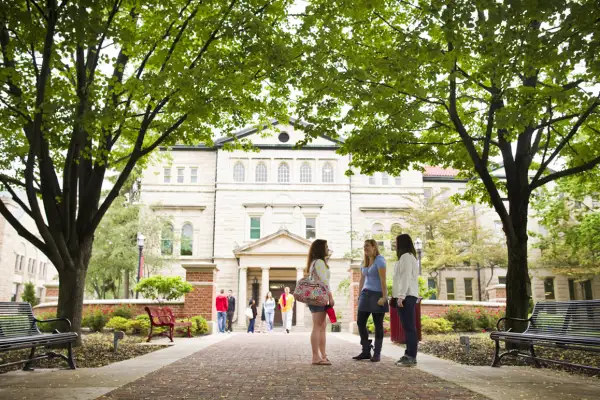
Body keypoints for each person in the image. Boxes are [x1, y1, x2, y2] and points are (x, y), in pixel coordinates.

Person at [353, 239, 389, 362]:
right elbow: (362, 280)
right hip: (365, 294)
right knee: (360, 322)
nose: (365, 248)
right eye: (364, 246)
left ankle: (377, 353)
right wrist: (359, 295)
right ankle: (366, 350)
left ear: (374, 247)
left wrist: (384, 297)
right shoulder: (364, 261)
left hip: (377, 295)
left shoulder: (380, 260)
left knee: (378, 325)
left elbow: (383, 280)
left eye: (367, 246)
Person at [305, 239, 334, 365]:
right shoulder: (319, 263)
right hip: (319, 297)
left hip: (315, 297)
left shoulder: (313, 263)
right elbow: (324, 281)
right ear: (320, 249)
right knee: (318, 326)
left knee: (321, 326)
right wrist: (330, 297)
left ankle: (323, 355)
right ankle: (316, 357)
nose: (328, 248)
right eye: (326, 246)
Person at [392, 234, 420, 367]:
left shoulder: (406, 257)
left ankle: (411, 356)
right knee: (408, 327)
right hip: (405, 295)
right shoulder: (404, 258)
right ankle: (408, 354)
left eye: (396, 242)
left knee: (410, 328)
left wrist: (401, 296)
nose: (394, 244)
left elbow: (406, 277)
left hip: (407, 296)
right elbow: (399, 279)